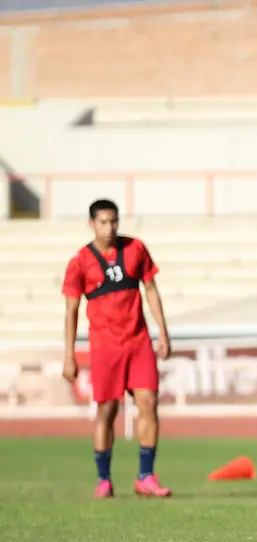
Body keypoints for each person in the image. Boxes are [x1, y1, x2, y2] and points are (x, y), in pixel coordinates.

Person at [62, 199, 173, 499]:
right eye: (103, 222)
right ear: (91, 224)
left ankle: (145, 477)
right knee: (107, 410)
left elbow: (151, 290)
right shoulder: (80, 262)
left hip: (138, 342)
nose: (109, 228)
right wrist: (69, 355)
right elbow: (71, 311)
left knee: (148, 402)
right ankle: (104, 479)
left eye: (113, 221)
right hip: (105, 346)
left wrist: (163, 331)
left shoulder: (136, 249)